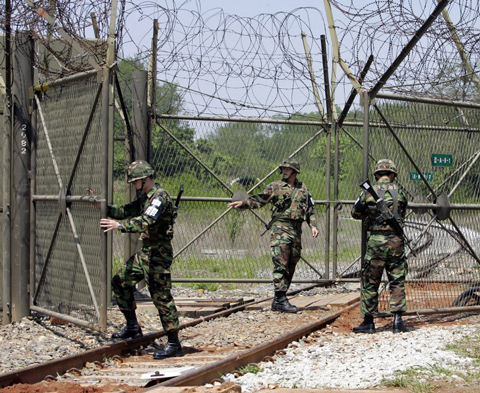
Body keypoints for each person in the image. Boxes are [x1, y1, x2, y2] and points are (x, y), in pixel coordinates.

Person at [100, 160, 183, 359]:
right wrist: (103, 207)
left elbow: (146, 221)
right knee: (119, 282)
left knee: (161, 297)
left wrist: (119, 226)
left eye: (135, 182)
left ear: (145, 179)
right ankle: (132, 327)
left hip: (158, 255)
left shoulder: (159, 197)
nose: (134, 185)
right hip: (146, 253)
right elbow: (125, 211)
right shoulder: (146, 198)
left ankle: (174, 343)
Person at [227, 157, 319, 313]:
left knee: (292, 262)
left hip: (296, 230)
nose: (284, 171)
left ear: (295, 171)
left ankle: (279, 299)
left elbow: (309, 208)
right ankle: (281, 298)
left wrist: (313, 226)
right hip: (280, 229)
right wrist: (244, 203)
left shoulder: (303, 188)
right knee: (280, 263)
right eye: (282, 169)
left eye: (287, 169)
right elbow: (260, 199)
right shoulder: (275, 186)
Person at [351, 159, 408, 334]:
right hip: (396, 240)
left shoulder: (368, 193)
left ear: (377, 175)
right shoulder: (401, 192)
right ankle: (397, 321)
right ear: (392, 174)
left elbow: (355, 213)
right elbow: (402, 212)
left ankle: (368, 321)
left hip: (376, 241)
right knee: (397, 279)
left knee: (370, 281)